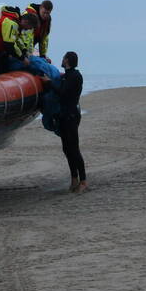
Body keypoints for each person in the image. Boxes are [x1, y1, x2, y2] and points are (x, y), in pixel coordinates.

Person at [56, 51, 86, 193]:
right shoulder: (69, 75)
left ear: (67, 60)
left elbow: (63, 93)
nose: (61, 60)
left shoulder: (75, 76)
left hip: (72, 116)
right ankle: (74, 179)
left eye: (63, 58)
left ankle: (83, 181)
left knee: (74, 149)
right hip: (64, 116)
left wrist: (49, 83)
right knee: (66, 149)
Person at [0, 11, 39, 76]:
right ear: (26, 22)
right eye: (30, 27)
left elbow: (17, 40)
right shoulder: (11, 23)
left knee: (2, 64)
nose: (28, 29)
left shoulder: (14, 22)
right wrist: (22, 58)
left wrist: (24, 50)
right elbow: (9, 45)